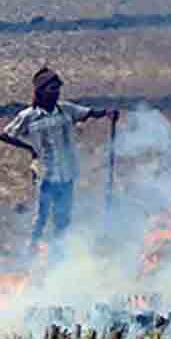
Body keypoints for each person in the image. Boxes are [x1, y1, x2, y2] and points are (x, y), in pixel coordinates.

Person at [0, 67, 119, 255]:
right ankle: (31, 252)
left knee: (63, 215)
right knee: (41, 217)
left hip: (67, 172)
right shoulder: (28, 116)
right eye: (51, 89)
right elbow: (6, 134)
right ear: (40, 92)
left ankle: (59, 252)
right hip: (45, 174)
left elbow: (88, 113)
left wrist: (106, 113)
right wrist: (30, 147)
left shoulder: (66, 109)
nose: (55, 93)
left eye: (57, 89)